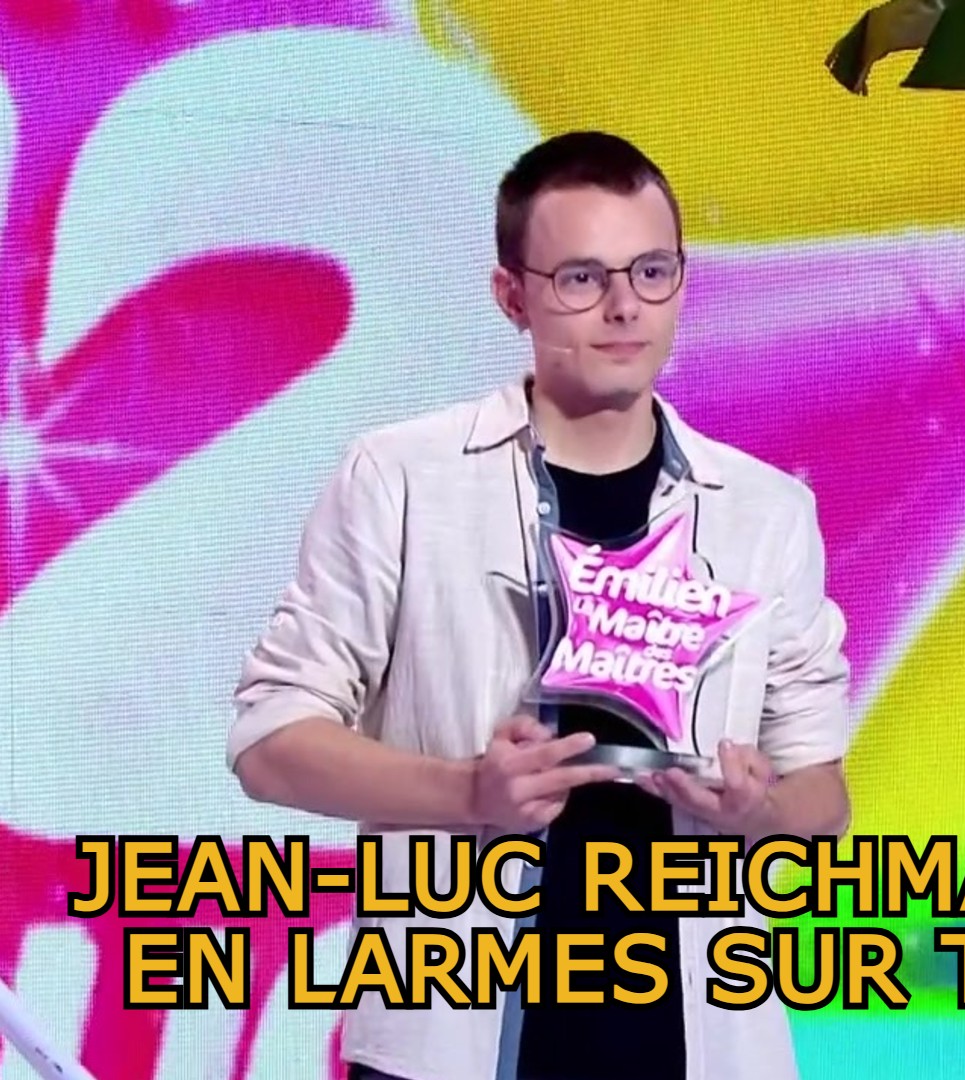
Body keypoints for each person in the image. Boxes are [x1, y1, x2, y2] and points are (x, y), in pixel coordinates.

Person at [227, 130, 851, 1080]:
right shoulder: (405, 478)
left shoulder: (765, 512)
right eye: (581, 278)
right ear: (511, 294)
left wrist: (753, 810)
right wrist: (467, 794)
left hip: (696, 1043)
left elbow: (822, 800)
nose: (623, 307)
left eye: (651, 272)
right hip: (446, 1040)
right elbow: (270, 742)